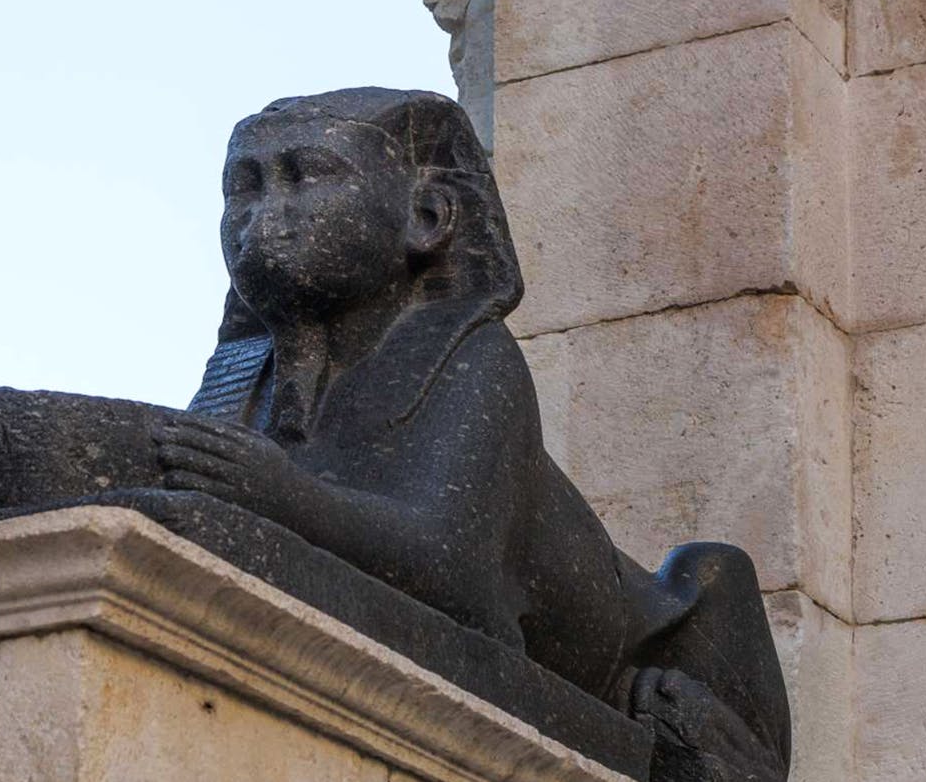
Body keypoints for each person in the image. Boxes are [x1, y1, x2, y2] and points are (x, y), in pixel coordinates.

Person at [153, 88, 790, 780]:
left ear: (426, 217)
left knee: (713, 568)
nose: (263, 215)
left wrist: (279, 493)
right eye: (243, 187)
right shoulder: (249, 376)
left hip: (640, 651)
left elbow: (454, 573)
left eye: (308, 175)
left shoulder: (473, 356)